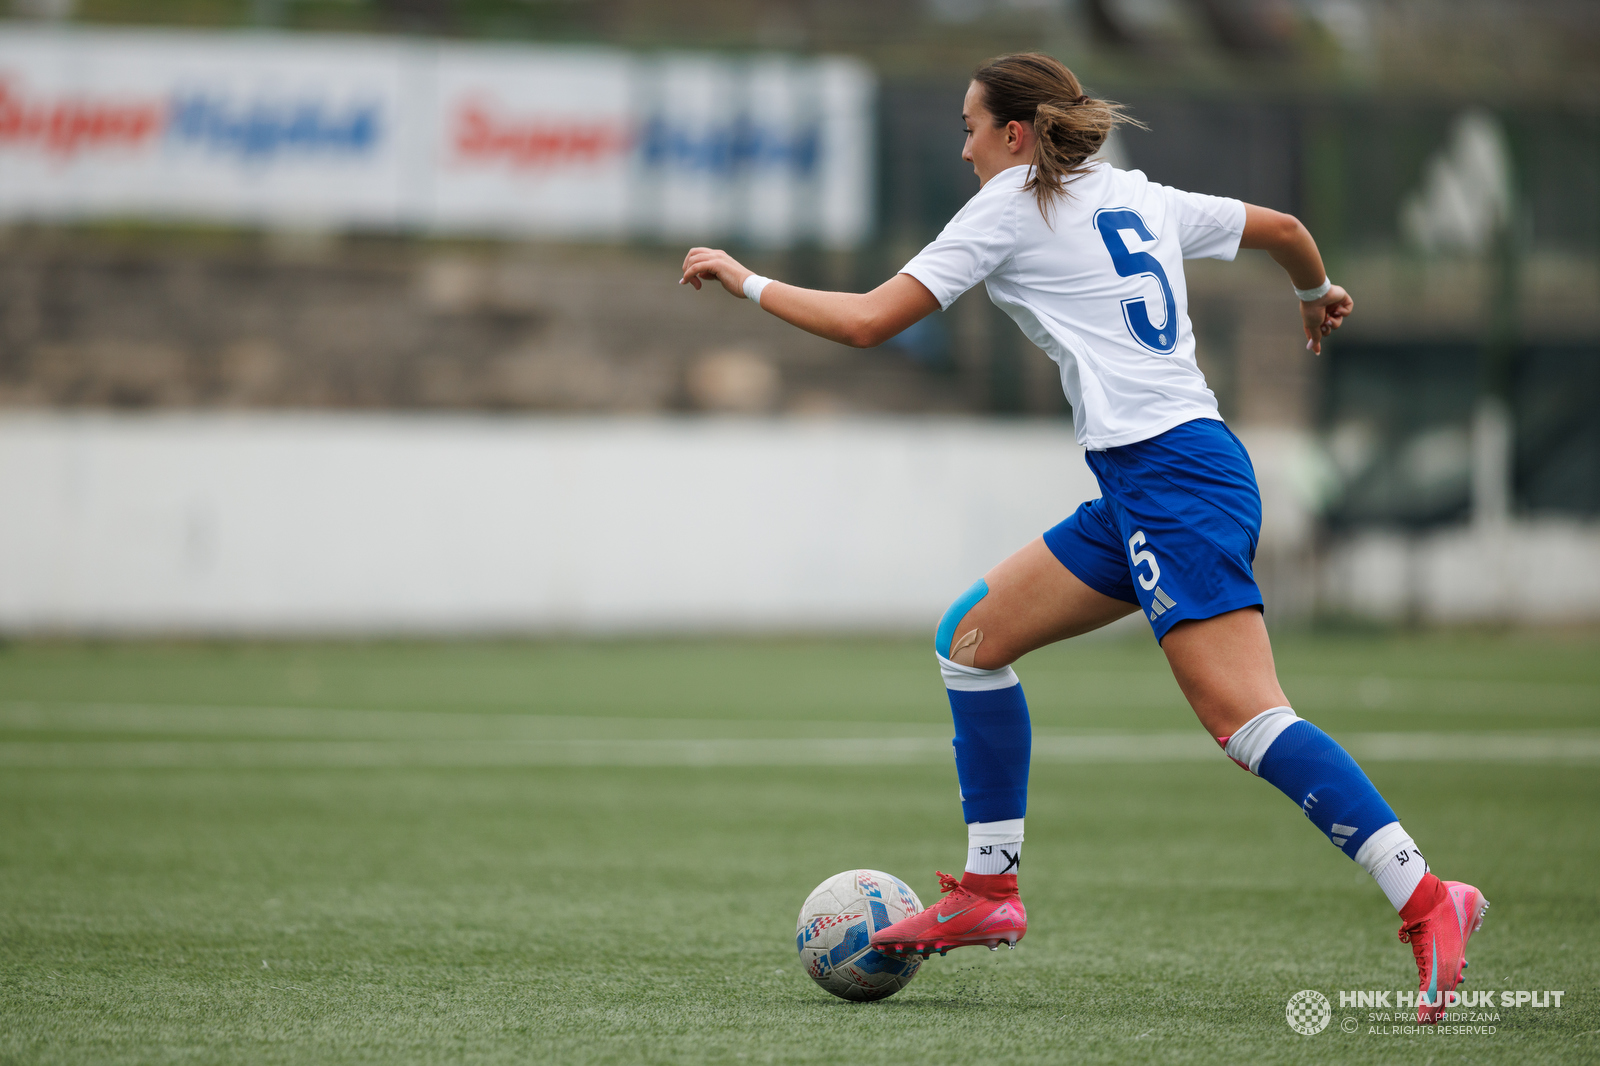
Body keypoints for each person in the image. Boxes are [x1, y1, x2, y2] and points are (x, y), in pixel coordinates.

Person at [680, 52, 1485, 1024]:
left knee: (1245, 718)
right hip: (1157, 474)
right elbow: (1284, 230)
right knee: (973, 641)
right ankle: (988, 890)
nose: (963, 141)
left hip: (1172, 482)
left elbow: (865, 322)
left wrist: (743, 278)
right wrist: (1316, 294)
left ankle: (1429, 896)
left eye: (972, 123)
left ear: (1016, 134)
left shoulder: (1010, 203)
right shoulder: (1133, 192)